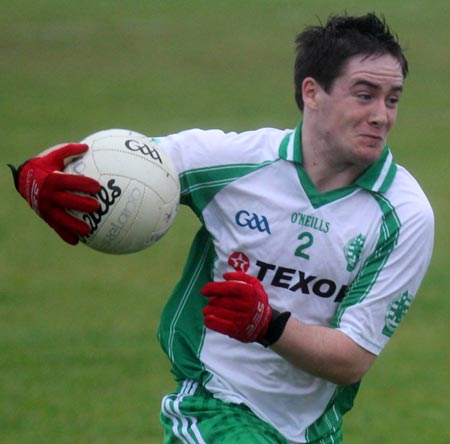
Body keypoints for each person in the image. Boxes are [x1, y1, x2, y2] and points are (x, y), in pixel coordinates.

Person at [9, 12, 434, 444]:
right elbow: (115, 165)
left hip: (312, 430)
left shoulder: (403, 214)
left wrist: (266, 323)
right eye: (364, 95)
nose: (381, 115)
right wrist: (34, 175)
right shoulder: (233, 162)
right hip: (214, 405)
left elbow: (351, 359)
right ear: (313, 93)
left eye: (392, 99)